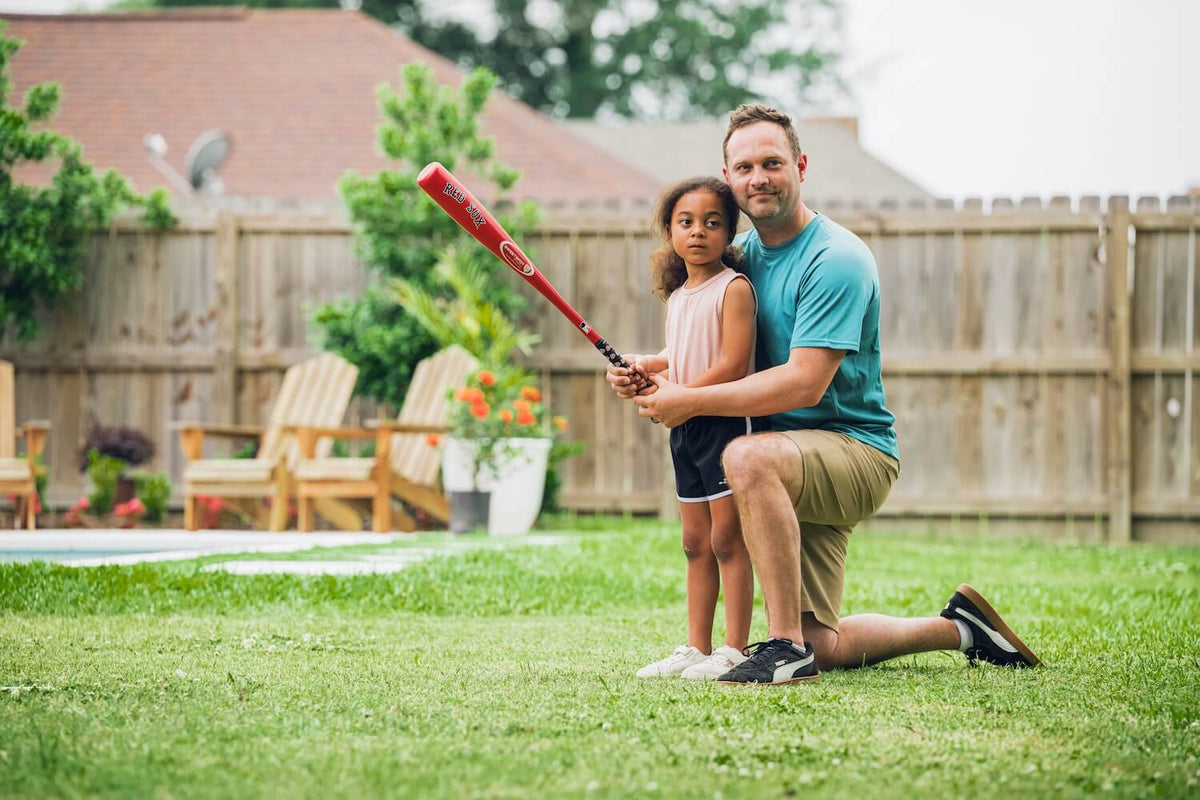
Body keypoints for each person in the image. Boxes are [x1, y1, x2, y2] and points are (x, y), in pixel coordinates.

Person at [609, 104, 1039, 685]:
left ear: (800, 166)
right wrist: (653, 366)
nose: (758, 177)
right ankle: (963, 629)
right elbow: (716, 343)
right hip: (786, 459)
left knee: (745, 456)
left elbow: (804, 380)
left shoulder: (835, 258)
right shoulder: (742, 259)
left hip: (851, 449)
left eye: (772, 163)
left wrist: (688, 400)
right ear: (730, 180)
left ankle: (783, 647)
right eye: (744, 167)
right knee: (827, 643)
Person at [630, 177, 759, 681]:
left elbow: (732, 364)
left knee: (728, 540)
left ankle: (734, 649)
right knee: (694, 542)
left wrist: (680, 395)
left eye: (712, 222)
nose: (698, 232)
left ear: (729, 233)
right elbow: (678, 356)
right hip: (685, 429)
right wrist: (647, 365)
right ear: (669, 230)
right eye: (686, 222)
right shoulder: (680, 295)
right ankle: (696, 648)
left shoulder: (735, 288)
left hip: (725, 426)